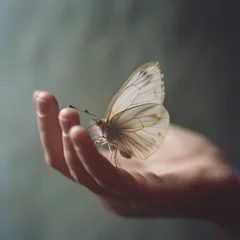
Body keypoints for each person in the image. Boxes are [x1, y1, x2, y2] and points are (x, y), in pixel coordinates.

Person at [33, 90, 240, 237]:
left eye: (98, 123)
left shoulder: (111, 124)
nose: (97, 124)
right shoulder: (104, 131)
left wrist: (225, 196)